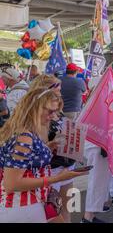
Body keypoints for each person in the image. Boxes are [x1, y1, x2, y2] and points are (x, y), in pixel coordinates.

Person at [0, 88, 87, 222]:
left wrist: (48, 147)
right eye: (50, 111)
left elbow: (26, 163)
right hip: (22, 208)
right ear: (35, 108)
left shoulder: (25, 131)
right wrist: (57, 178)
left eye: (56, 111)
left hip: (29, 204)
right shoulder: (24, 137)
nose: (53, 116)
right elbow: (12, 184)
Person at [29, 74, 77, 223]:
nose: (61, 94)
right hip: (51, 171)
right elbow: (36, 148)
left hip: (67, 166)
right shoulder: (38, 114)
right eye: (58, 90)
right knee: (52, 214)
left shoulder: (57, 109)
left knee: (67, 209)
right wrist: (52, 144)